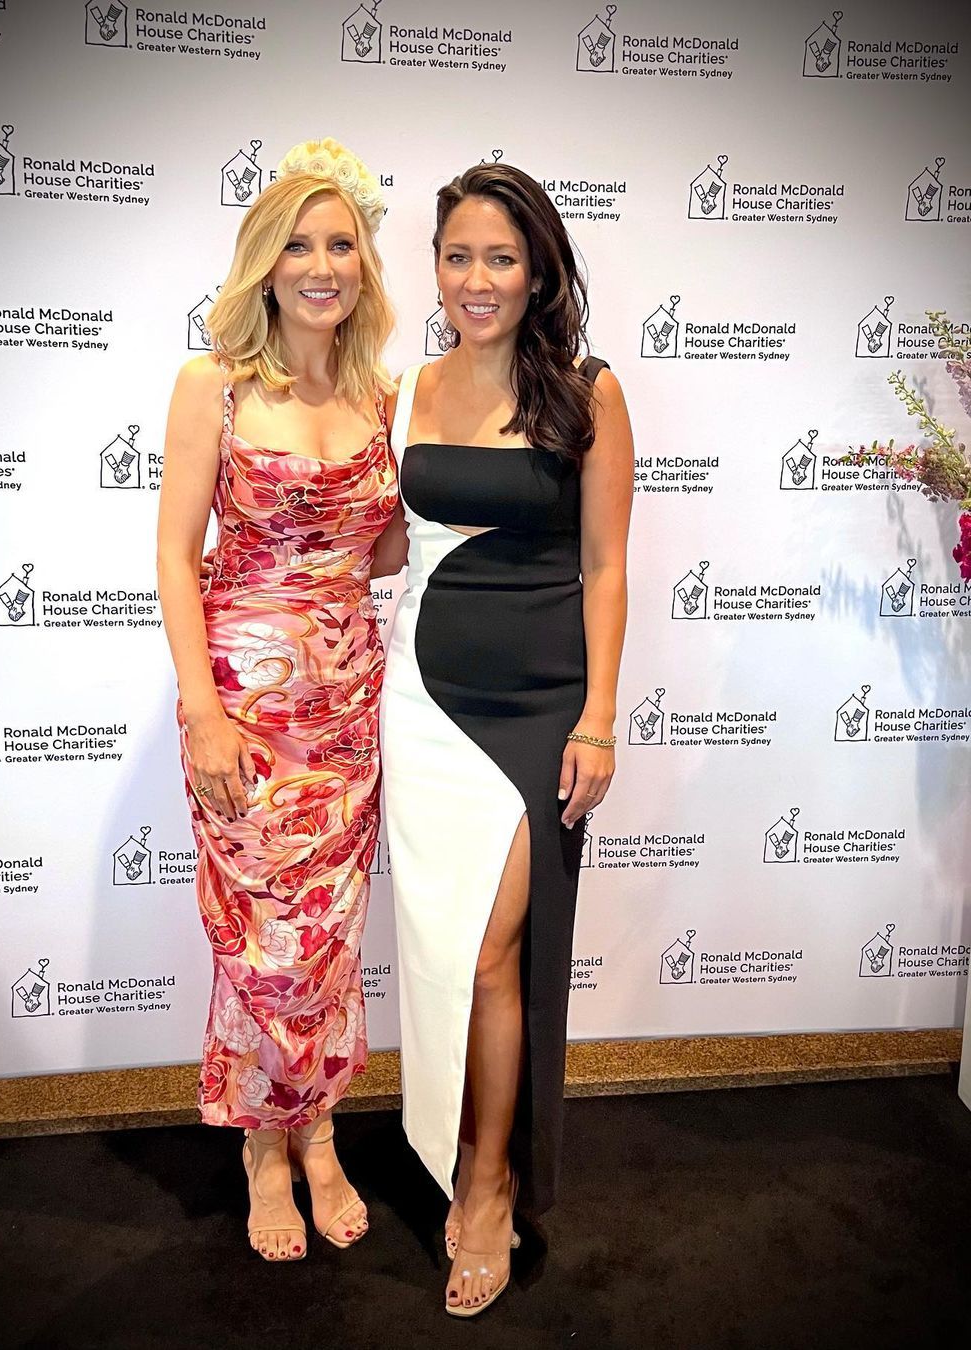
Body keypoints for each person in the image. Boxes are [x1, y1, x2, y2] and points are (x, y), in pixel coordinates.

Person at [374, 161, 634, 1315]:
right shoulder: (408, 389)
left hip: (539, 715)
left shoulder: (589, 393)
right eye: (458, 257)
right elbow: (388, 542)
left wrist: (599, 718)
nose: (476, 279)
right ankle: (456, 1147)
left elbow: (606, 566)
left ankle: (487, 1185)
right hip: (424, 706)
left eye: (501, 258)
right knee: (446, 956)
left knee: (494, 956)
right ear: (435, 269)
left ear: (539, 273)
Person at [157, 138, 396, 1262]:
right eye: (298, 244)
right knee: (263, 940)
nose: (321, 265)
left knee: (330, 937)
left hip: (348, 706)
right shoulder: (211, 385)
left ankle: (320, 1132)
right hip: (243, 714)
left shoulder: (384, 395)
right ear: (264, 260)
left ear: (365, 263)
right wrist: (202, 711)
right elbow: (175, 556)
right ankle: (264, 1144)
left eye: (341, 243)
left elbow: (385, 547)